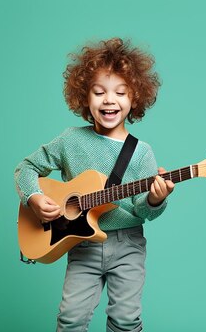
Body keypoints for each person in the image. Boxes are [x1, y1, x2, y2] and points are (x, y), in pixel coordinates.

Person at [14, 37, 175, 332]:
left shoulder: (142, 152)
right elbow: (26, 169)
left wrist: (155, 200)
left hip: (127, 245)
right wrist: (35, 198)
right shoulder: (70, 140)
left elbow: (144, 212)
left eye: (120, 92)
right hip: (82, 245)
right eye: (99, 92)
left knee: (126, 321)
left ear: (134, 98)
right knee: (71, 320)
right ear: (84, 96)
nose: (109, 100)